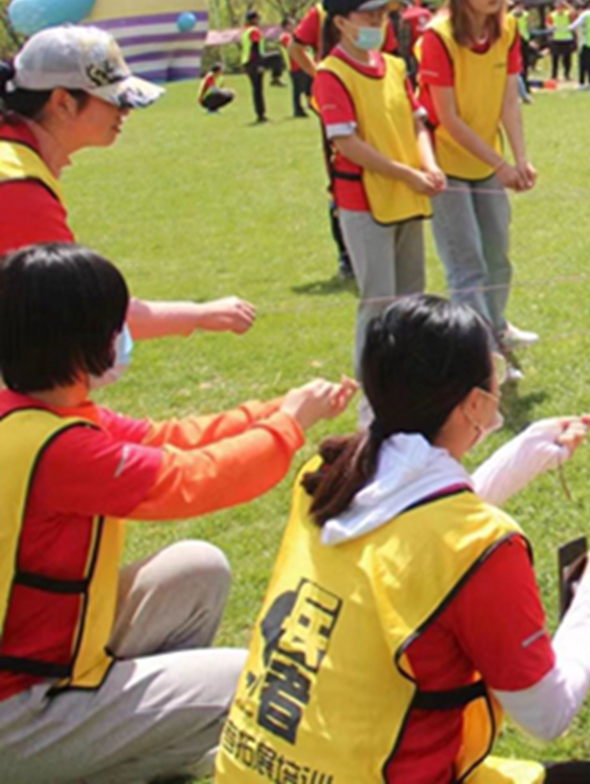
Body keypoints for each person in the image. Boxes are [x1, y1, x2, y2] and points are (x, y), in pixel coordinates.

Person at [216, 294, 590, 784]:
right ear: (474, 403)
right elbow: (547, 714)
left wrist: (527, 453)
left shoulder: (325, 477)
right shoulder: (481, 547)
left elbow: (411, 534)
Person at [0, 242, 354, 784]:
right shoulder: (63, 451)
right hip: (21, 711)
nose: (124, 336)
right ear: (77, 343)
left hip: (49, 661)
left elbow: (169, 440)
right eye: (114, 324)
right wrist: (287, 428)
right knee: (247, 680)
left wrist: (278, 409)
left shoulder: (36, 410)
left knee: (196, 568)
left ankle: (108, 731)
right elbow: (192, 480)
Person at [0, 25, 255, 337]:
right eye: (112, 98)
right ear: (63, 101)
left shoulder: (16, 160)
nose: (125, 110)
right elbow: (82, 309)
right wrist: (201, 314)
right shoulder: (18, 187)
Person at [417, 0, 540, 382]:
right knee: (467, 264)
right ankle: (484, 354)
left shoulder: (506, 32)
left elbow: (510, 99)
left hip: (487, 163)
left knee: (497, 257)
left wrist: (519, 159)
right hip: (446, 165)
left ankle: (497, 327)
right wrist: (500, 163)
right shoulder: (437, 38)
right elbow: (446, 118)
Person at [313, 0, 446, 378]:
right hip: (364, 204)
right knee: (378, 302)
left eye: (381, 14)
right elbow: (349, 144)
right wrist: (408, 174)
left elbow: (418, 123)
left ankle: (408, 379)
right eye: (368, 15)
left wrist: (430, 165)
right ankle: (372, 389)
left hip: (407, 196)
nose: (378, 22)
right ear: (341, 22)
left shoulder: (394, 66)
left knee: (411, 299)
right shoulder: (330, 74)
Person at [288, 0, 401, 281]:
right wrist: (321, 77)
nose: (375, 16)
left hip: (377, 102)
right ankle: (347, 253)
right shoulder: (324, 11)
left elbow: (390, 57)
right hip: (338, 102)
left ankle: (383, 244)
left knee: (384, 167)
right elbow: (295, 46)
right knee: (342, 175)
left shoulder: (378, 20)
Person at [239, 9, 267, 123]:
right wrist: (259, 64)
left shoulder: (245, 31)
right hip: (254, 62)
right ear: (254, 19)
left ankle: (260, 113)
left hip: (247, 62)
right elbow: (255, 48)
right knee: (258, 89)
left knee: (256, 89)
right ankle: (261, 114)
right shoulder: (254, 31)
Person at [279, 17, 310, 117]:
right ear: (286, 26)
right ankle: (298, 109)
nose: (294, 26)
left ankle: (308, 104)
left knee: (308, 86)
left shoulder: (291, 36)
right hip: (295, 66)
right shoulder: (285, 37)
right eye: (292, 24)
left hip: (301, 64)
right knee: (298, 89)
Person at [547, 0, 577, 82]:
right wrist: (550, 28)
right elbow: (548, 24)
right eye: (558, 7)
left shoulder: (568, 14)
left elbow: (574, 12)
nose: (559, 9)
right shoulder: (552, 15)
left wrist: (567, 4)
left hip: (567, 38)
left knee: (567, 59)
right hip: (556, 38)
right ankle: (554, 75)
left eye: (561, 7)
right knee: (555, 58)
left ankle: (567, 75)